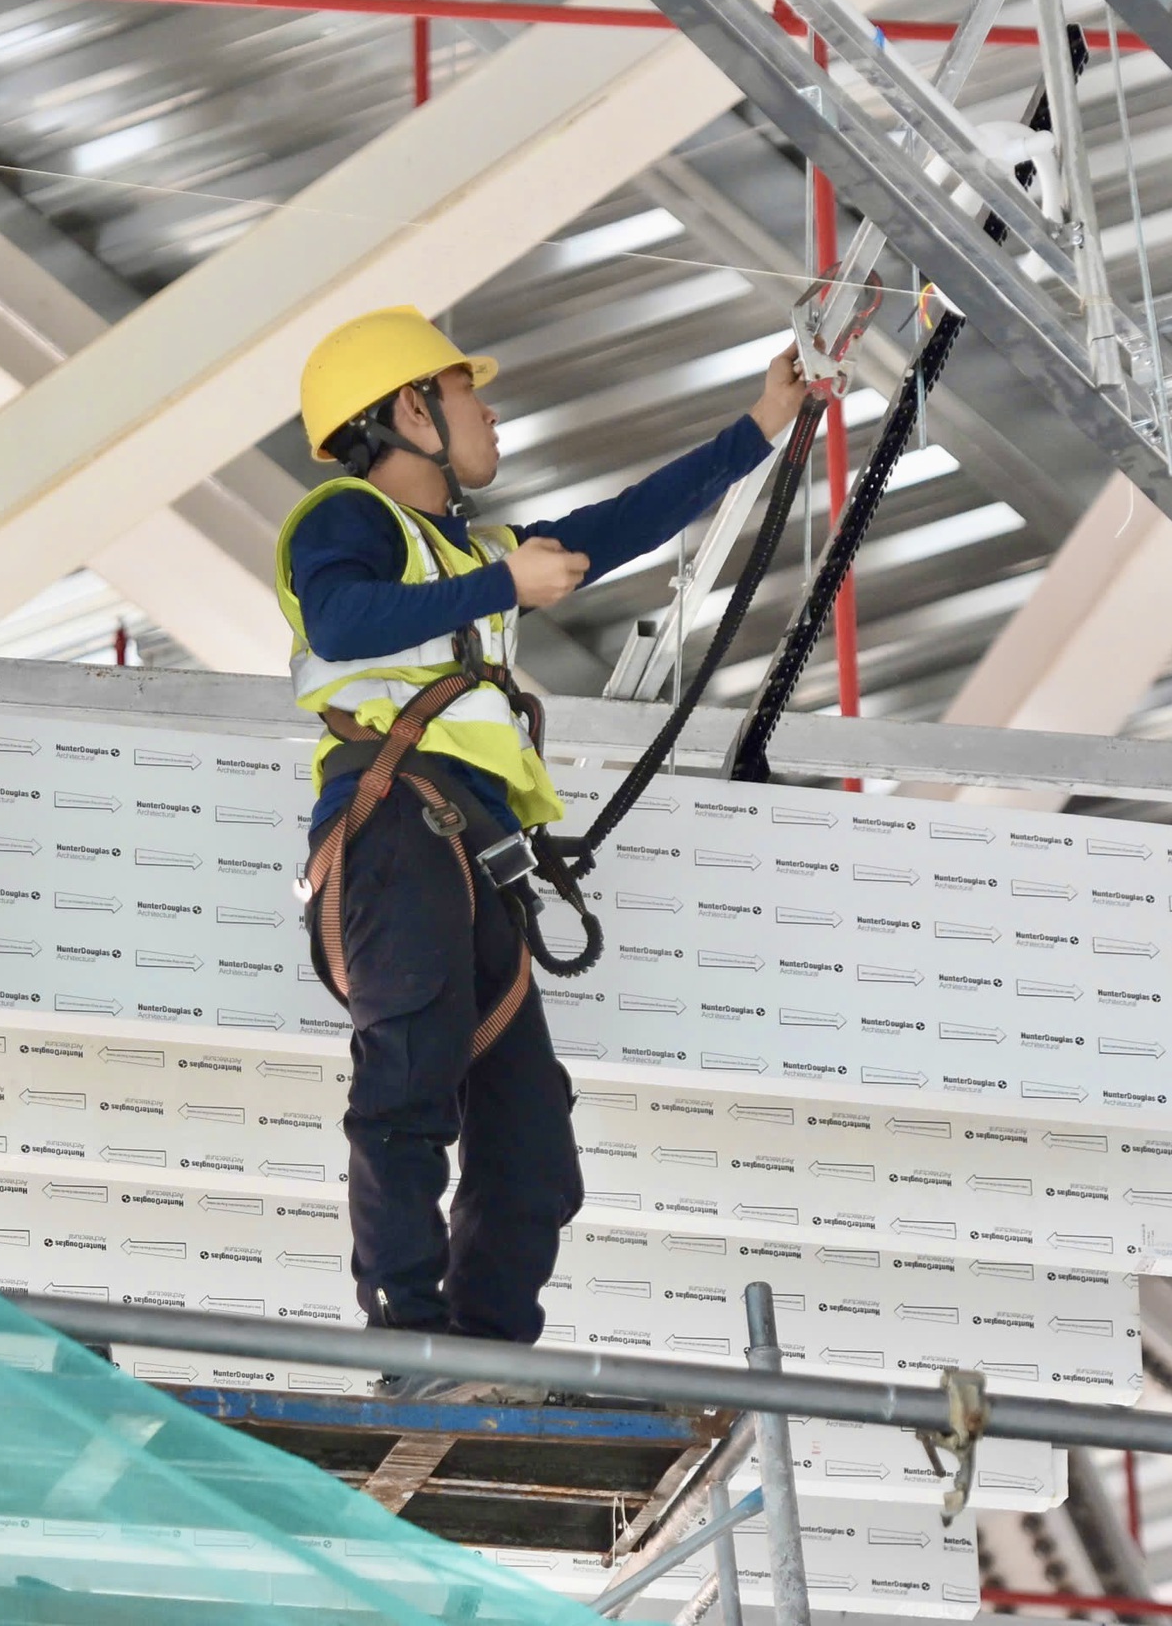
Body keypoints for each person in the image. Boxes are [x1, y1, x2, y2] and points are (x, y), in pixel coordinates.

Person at [277, 306, 809, 1385]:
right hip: (391, 832)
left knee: (529, 1141)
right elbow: (337, 623)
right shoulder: (346, 518)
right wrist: (498, 588)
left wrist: (760, 425)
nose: (490, 410)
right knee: (409, 1083)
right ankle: (412, 1342)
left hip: (467, 855)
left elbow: (620, 522)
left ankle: (482, 1354)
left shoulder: (469, 552)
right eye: (466, 391)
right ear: (406, 410)